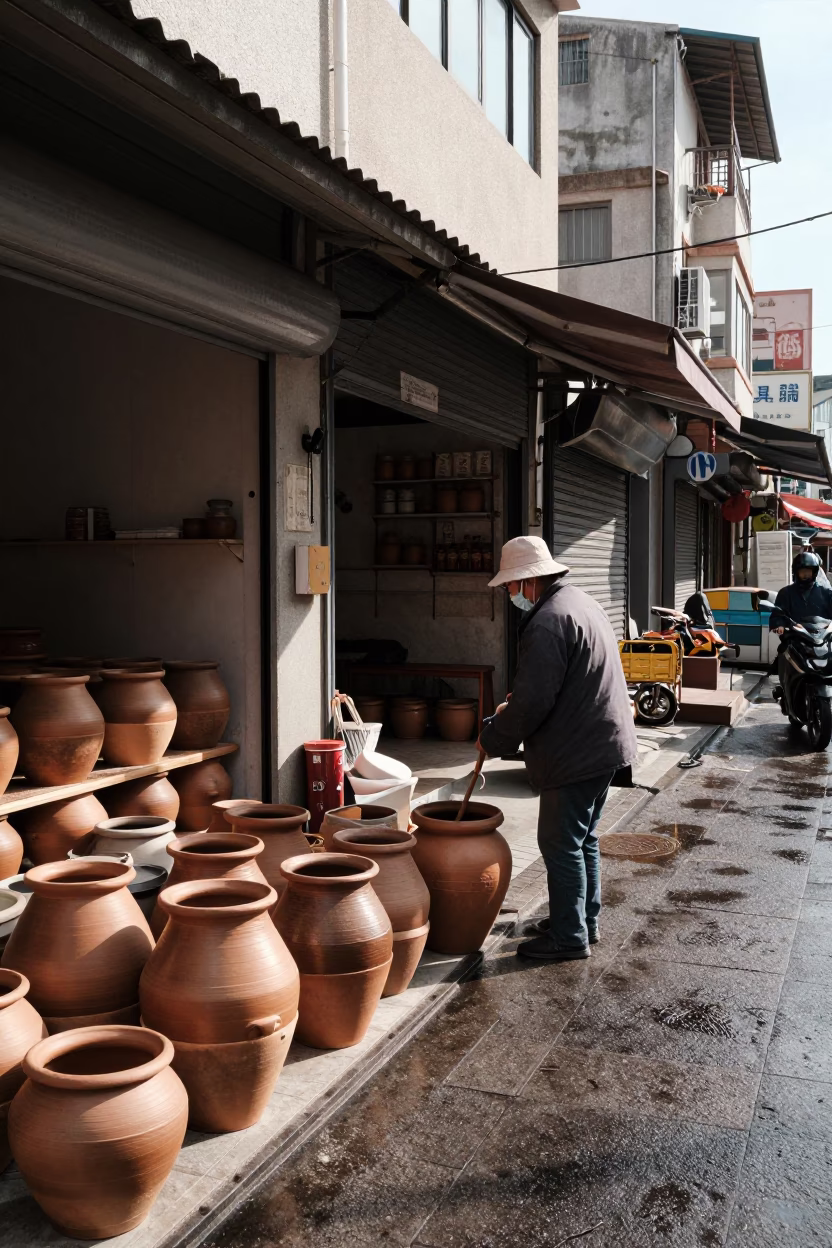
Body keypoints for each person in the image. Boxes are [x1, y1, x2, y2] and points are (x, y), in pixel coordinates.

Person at [478, 535, 638, 962]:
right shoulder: (581, 602)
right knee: (582, 838)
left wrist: (492, 736)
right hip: (603, 741)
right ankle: (583, 920)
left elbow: (533, 701)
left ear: (529, 582)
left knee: (559, 841)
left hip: (578, 748)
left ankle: (569, 937)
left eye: (511, 587)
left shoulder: (549, 621)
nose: (510, 595)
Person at [770, 551, 832, 637]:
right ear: (796, 572)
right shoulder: (785, 593)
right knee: (784, 649)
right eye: (802, 571)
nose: (806, 574)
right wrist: (779, 625)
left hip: (821, 639)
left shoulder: (826, 592)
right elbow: (778, 613)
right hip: (795, 638)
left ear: (814, 572)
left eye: (808, 571)